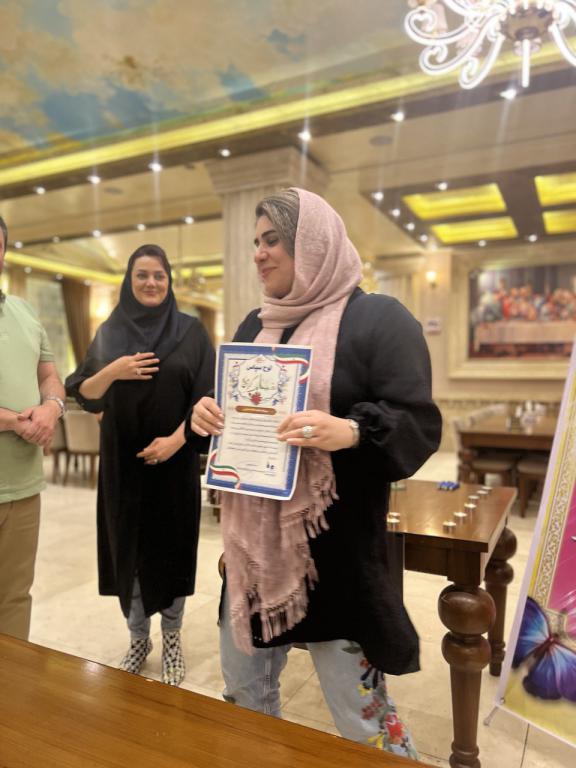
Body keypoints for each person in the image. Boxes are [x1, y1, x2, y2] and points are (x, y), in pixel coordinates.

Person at [190, 189, 442, 758]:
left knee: (361, 718)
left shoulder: (378, 319)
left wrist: (349, 431)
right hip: (256, 555)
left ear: (312, 243)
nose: (258, 253)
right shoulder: (256, 323)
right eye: (255, 241)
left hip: (337, 552)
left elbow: (418, 423)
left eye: (272, 240)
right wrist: (206, 414)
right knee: (245, 697)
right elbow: (237, 412)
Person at [66, 244, 214, 686]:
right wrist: (114, 370)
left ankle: (171, 638)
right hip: (123, 470)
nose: (151, 283)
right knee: (128, 552)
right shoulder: (110, 332)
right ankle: (137, 639)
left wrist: (175, 442)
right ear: (129, 282)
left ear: (169, 282)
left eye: (158, 275)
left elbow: (208, 398)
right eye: (141, 275)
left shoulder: (191, 332)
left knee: (172, 551)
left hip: (174, 465)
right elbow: (85, 392)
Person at [0, 215, 66, 640]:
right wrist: (16, 422)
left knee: (14, 599)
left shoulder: (23, 311)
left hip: (24, 488)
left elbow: (50, 376)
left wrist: (52, 408)